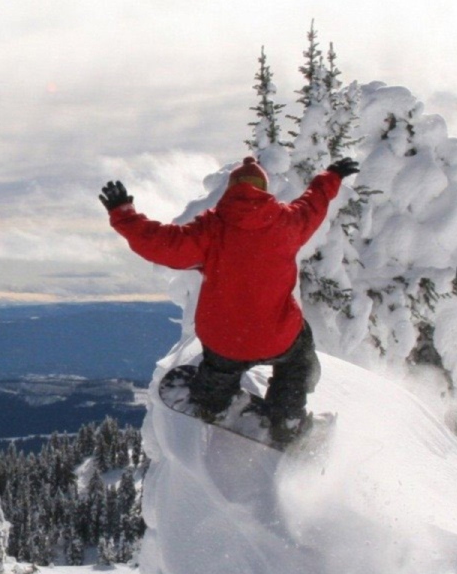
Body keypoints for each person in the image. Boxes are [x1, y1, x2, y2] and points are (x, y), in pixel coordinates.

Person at [101, 155, 361, 444]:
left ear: (231, 188)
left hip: (226, 340)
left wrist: (123, 214)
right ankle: (288, 415)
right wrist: (332, 176)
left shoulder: (211, 229)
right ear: (263, 188)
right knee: (298, 360)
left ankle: (213, 402)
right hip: (279, 337)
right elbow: (314, 203)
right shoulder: (288, 223)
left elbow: (162, 244)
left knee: (220, 367)